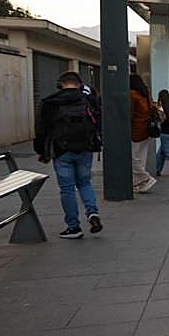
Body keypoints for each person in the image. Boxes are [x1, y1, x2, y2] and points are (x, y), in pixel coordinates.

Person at [34, 71, 103, 239]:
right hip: (85, 149)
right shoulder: (88, 100)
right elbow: (98, 123)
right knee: (85, 183)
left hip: (61, 151)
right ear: (79, 85)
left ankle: (73, 227)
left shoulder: (49, 102)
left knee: (67, 189)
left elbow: (41, 129)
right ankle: (92, 213)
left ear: (60, 84)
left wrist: (41, 151)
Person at [129, 74, 157, 193]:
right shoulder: (145, 94)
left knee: (132, 157)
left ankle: (146, 178)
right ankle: (140, 183)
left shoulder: (132, 95)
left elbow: (130, 113)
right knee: (141, 157)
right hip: (147, 129)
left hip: (136, 129)